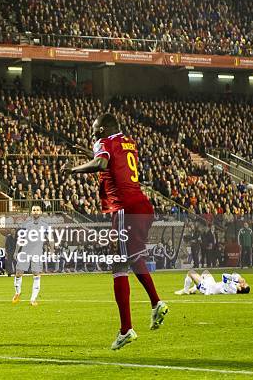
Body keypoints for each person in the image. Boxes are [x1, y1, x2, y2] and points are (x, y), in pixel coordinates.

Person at [63, 113, 168, 350]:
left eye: (94, 129)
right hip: (142, 205)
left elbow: (101, 163)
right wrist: (89, 153)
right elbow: (111, 163)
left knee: (118, 265)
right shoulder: (128, 142)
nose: (92, 133)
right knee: (133, 258)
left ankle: (126, 329)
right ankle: (156, 303)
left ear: (102, 128)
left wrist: (74, 170)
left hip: (124, 208)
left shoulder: (104, 142)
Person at [13, 205, 44, 306]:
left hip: (37, 252)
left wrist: (51, 250)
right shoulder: (26, 225)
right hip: (25, 251)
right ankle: (17, 293)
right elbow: (21, 239)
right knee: (18, 273)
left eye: (37, 210)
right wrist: (16, 251)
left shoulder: (44, 225)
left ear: (41, 212)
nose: (36, 212)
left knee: (36, 274)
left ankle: (33, 299)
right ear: (31, 212)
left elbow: (50, 238)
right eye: (34, 210)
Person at [175, 270, 250, 295]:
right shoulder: (235, 286)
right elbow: (234, 274)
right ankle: (194, 288)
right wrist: (239, 277)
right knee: (206, 272)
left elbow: (224, 276)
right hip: (213, 284)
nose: (242, 283)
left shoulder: (233, 287)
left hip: (207, 288)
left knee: (191, 272)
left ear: (240, 289)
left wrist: (237, 278)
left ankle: (185, 290)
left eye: (243, 285)